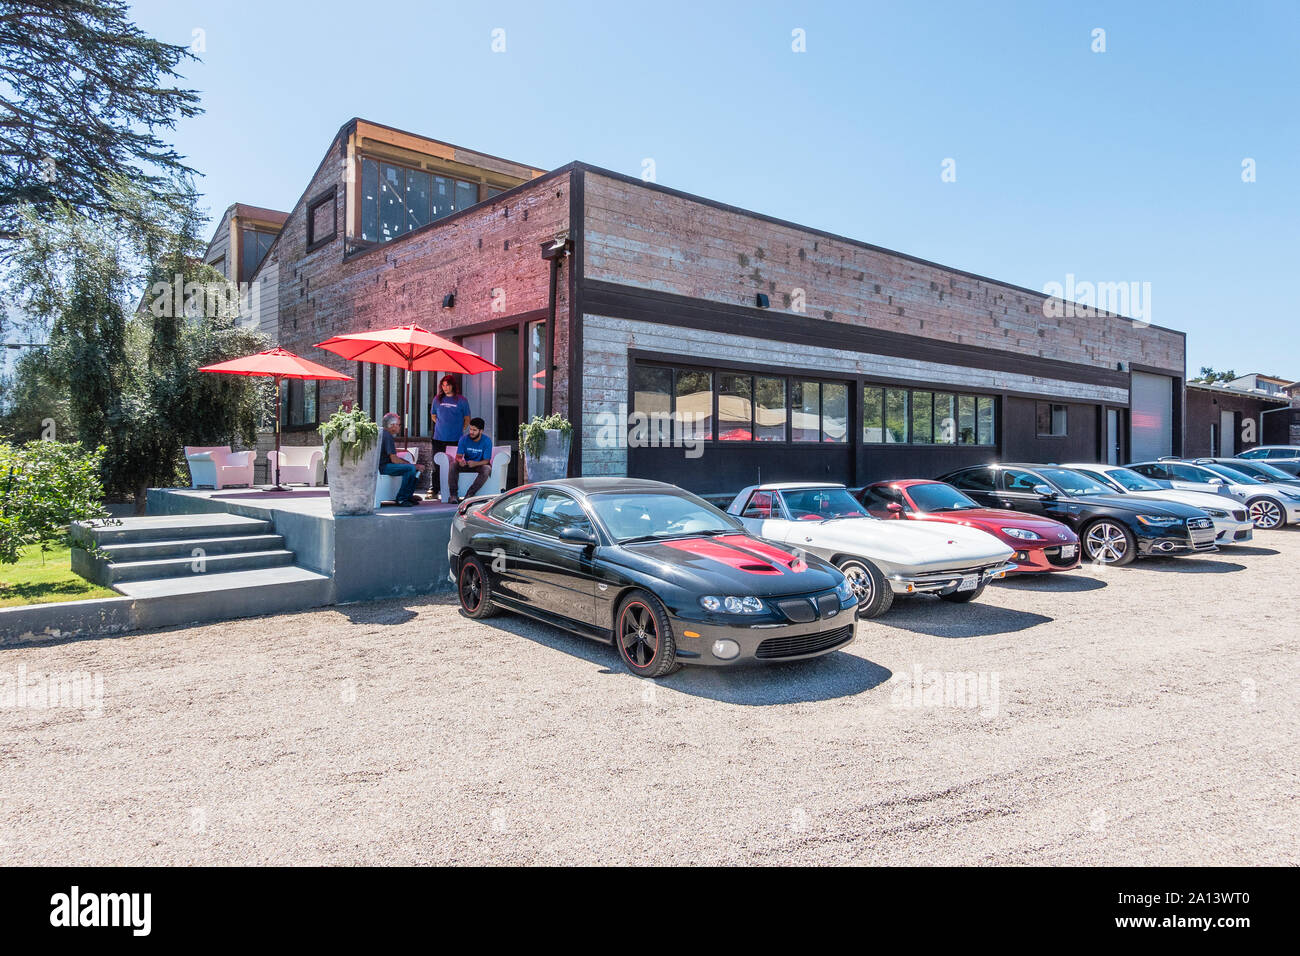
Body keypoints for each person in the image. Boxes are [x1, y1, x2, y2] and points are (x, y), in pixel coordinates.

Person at [430, 375, 471, 500]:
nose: (445, 387)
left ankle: (451, 490)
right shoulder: (437, 399)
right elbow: (433, 415)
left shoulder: (462, 400)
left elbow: (467, 419)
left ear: (453, 385)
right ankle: (434, 489)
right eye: (443, 385)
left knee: (453, 464)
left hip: (455, 439)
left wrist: (460, 428)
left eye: (447, 385)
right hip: (438, 438)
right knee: (436, 464)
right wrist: (441, 425)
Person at [378, 412, 423, 507]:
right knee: (411, 469)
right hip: (383, 467)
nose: (399, 427)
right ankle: (402, 498)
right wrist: (412, 465)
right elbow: (394, 459)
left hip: (383, 465)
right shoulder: (387, 436)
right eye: (398, 424)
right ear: (392, 425)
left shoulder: (383, 433)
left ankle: (408, 496)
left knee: (413, 468)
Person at [449, 417, 493, 504]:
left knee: (487, 469)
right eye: (470, 429)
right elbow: (458, 456)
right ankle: (453, 495)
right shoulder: (464, 439)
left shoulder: (487, 441)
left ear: (481, 431)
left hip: (479, 465)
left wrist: (475, 463)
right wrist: (460, 461)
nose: (471, 432)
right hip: (467, 464)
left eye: (474, 430)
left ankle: (469, 495)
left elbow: (487, 461)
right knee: (453, 464)